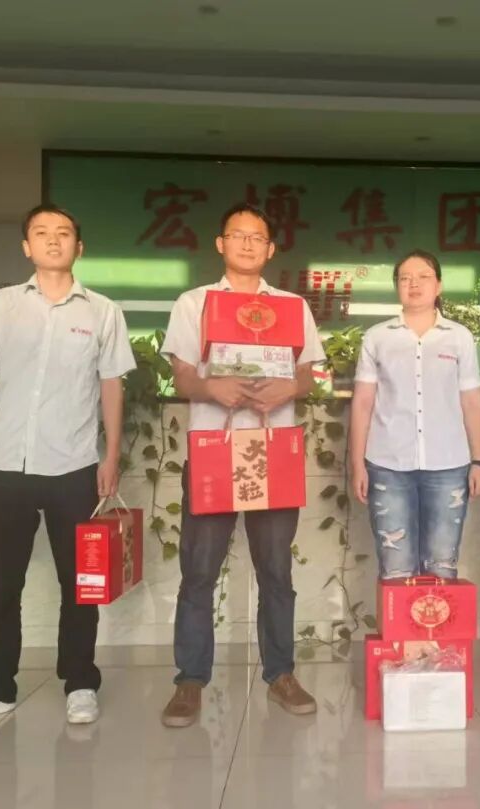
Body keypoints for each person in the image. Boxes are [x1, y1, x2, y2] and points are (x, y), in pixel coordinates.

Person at [0, 204, 136, 729]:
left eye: (64, 233)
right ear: (27, 247)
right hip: (7, 467)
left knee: (80, 583)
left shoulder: (103, 312)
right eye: (42, 233)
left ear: (79, 247)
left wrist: (111, 456)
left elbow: (111, 386)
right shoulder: (1, 306)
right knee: (1, 583)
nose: (53, 240)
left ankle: (81, 682)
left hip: (75, 466)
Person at [159, 203, 325, 726]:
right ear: (221, 244)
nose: (248, 244)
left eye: (258, 237)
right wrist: (212, 387)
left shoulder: (293, 306)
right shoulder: (194, 303)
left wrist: (290, 387)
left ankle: (281, 673)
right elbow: (182, 375)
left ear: (271, 249)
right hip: (215, 448)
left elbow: (310, 373)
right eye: (238, 235)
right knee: (199, 571)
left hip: (271, 449)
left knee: (276, 571)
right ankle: (190, 680)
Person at [348, 249, 480, 580]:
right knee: (395, 567)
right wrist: (357, 465)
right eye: (405, 278)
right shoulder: (377, 337)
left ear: (438, 285)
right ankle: (400, 619)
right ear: (396, 286)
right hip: (387, 466)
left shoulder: (459, 337)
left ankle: (435, 618)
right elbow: (363, 403)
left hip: (449, 467)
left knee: (442, 565)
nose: (414, 284)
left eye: (424, 277)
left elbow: (471, 401)